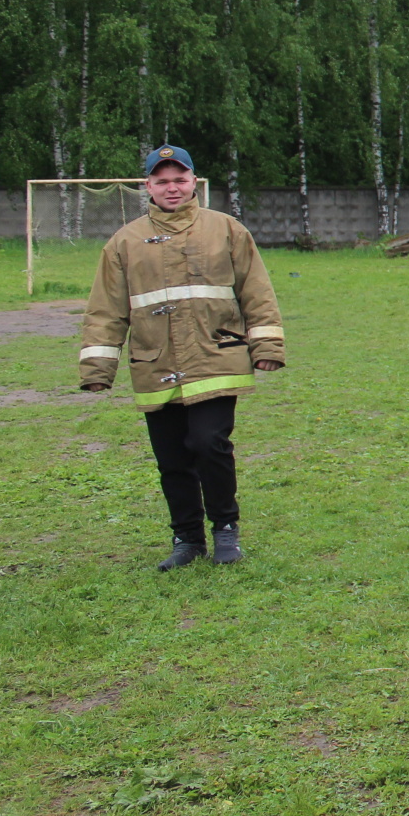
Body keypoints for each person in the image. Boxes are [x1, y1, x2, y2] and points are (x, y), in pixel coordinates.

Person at [79, 146, 285, 571]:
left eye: (179, 179)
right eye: (162, 180)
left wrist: (266, 347)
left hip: (216, 357)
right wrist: (98, 368)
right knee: (171, 458)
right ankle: (187, 539)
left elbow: (257, 292)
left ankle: (226, 529)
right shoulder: (124, 242)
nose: (171, 188)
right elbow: (106, 309)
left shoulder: (227, 230)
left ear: (194, 182)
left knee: (209, 443)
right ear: (147, 186)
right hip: (154, 364)